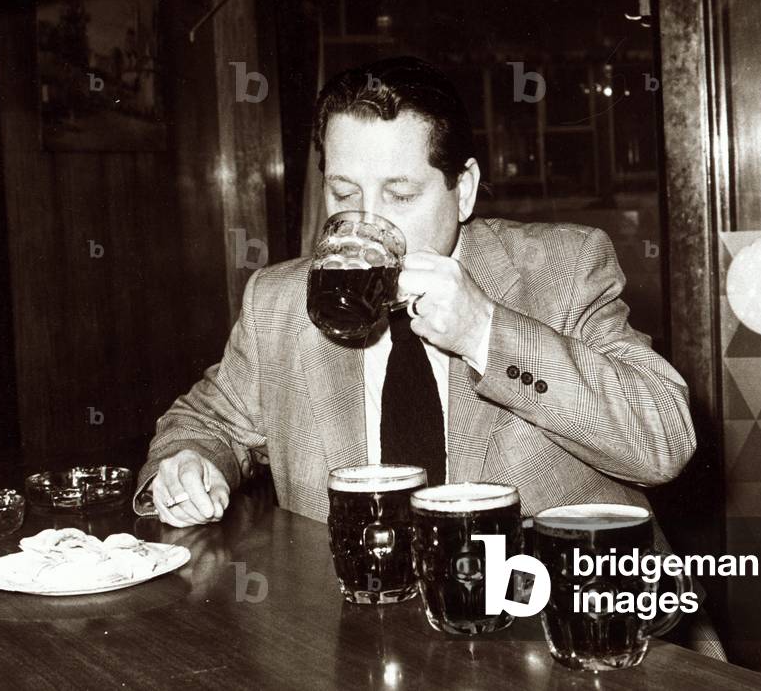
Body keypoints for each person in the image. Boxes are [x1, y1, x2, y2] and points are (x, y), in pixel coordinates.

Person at [132, 56, 716, 654]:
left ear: (461, 189)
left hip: (568, 639)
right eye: (344, 193)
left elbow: (663, 439)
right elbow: (204, 421)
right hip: (360, 642)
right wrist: (189, 461)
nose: (367, 223)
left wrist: (488, 332)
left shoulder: (561, 270)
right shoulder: (280, 301)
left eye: (401, 193)